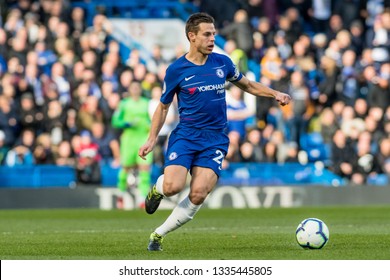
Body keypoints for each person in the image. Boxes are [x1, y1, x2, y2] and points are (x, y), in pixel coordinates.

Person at [138, 12, 291, 251]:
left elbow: (248, 85)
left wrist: (275, 94)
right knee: (172, 187)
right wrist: (151, 139)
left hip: (215, 139)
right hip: (186, 135)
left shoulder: (223, 63)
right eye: (207, 34)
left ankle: (158, 235)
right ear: (192, 37)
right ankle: (158, 189)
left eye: (214, 34)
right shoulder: (177, 69)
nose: (212, 39)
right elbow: (164, 106)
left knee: (198, 194)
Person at [112, 80, 152, 209]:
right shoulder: (124, 104)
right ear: (129, 90)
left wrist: (148, 125)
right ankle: (121, 194)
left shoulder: (146, 103)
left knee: (144, 168)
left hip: (143, 138)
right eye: (132, 87)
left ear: (140, 89)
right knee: (125, 168)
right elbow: (115, 121)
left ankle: (142, 199)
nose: (135, 89)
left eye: (137, 87)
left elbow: (152, 119)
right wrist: (127, 123)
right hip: (129, 140)